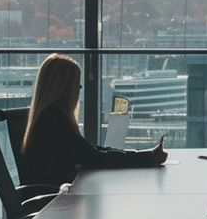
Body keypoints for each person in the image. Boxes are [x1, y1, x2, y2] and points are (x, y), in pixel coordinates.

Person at [21, 52, 167, 188]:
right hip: (57, 202)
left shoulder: (50, 116)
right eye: (77, 85)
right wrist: (147, 158)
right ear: (65, 88)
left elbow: (90, 151)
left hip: (61, 195)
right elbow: (93, 157)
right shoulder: (55, 120)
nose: (78, 91)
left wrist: (144, 155)